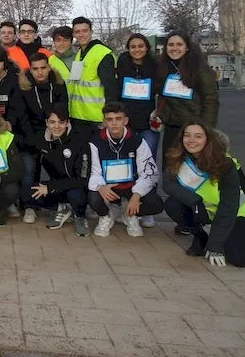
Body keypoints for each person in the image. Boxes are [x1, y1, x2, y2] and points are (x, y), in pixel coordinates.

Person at [162, 121, 245, 267]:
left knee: (241, 259)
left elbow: (228, 206)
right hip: (203, 209)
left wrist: (215, 246)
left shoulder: (225, 164)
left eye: (198, 136)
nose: (191, 140)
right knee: (172, 205)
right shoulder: (178, 158)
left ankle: (238, 231)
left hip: (232, 213)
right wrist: (194, 201)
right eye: (187, 135)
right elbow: (168, 184)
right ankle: (200, 236)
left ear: (208, 139)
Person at [88, 102, 162, 238]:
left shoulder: (137, 140)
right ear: (104, 122)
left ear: (126, 120)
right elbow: (94, 171)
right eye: (109, 120)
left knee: (155, 204)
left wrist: (137, 194)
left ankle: (130, 214)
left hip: (131, 187)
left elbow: (149, 172)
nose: (114, 123)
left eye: (118, 119)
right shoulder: (96, 141)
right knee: (93, 198)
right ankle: (107, 215)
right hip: (109, 187)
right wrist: (100, 186)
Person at [13, 52, 68, 224]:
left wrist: (51, 136)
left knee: (57, 169)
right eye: (35, 69)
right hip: (29, 136)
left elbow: (62, 111)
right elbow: (22, 116)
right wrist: (34, 139)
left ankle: (62, 203)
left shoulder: (58, 85)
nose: (40, 72)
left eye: (43, 68)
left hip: (53, 133)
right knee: (29, 170)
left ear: (49, 67)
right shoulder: (23, 86)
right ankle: (29, 206)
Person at [154, 31, 219, 167]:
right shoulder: (164, 67)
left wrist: (205, 128)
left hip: (193, 128)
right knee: (170, 169)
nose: (174, 48)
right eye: (171, 45)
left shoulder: (199, 68)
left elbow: (211, 99)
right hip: (172, 128)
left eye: (179, 44)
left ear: (187, 47)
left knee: (194, 169)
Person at [32, 107, 91, 236]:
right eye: (52, 122)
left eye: (61, 122)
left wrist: (51, 187)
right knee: (30, 193)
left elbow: (82, 180)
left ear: (67, 123)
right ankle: (60, 209)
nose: (57, 126)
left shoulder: (79, 141)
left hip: (76, 186)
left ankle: (79, 217)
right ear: (47, 123)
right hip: (58, 185)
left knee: (75, 195)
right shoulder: (41, 140)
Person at [69, 17, 118, 140]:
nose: (81, 34)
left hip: (96, 119)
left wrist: (109, 117)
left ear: (91, 31)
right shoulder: (80, 54)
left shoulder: (102, 54)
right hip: (79, 116)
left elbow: (111, 89)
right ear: (74, 34)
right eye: (77, 31)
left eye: (85, 31)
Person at [117, 33, 159, 159]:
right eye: (133, 47)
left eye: (141, 46)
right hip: (127, 121)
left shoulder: (156, 66)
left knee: (148, 158)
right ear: (128, 49)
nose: (137, 50)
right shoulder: (122, 65)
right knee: (128, 159)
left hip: (148, 122)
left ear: (147, 47)